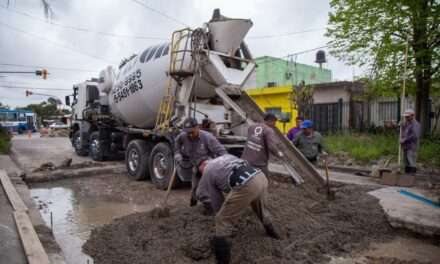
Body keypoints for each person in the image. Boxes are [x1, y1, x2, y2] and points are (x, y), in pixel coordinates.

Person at [196, 154, 280, 264]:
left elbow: (214, 199)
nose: (201, 174)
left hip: (246, 184)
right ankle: (275, 235)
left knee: (221, 219)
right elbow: (244, 163)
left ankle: (223, 260)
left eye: (200, 171)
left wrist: (221, 213)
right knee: (260, 209)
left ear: (203, 165)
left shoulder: (207, 170)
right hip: (260, 176)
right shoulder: (226, 156)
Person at [175, 117, 227, 206]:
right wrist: (177, 153)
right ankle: (193, 207)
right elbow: (177, 142)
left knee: (205, 191)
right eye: (187, 132)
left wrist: (224, 165)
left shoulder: (207, 138)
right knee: (194, 189)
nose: (190, 135)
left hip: (208, 167)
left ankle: (214, 207)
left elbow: (222, 151)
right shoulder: (183, 136)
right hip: (196, 166)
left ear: (197, 127)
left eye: (192, 132)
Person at [241, 113, 284, 177]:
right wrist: (279, 154)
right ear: (270, 121)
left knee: (245, 178)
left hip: (246, 160)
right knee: (264, 181)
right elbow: (271, 146)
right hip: (259, 163)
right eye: (274, 122)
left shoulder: (252, 126)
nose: (275, 124)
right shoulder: (268, 130)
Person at [400, 109, 421, 174]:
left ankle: (411, 176)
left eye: (407, 116)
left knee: (411, 161)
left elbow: (415, 135)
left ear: (412, 116)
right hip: (406, 146)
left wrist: (405, 139)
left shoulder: (416, 124)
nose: (406, 118)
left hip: (412, 146)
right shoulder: (406, 123)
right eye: (405, 116)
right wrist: (401, 126)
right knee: (406, 161)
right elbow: (404, 132)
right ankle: (407, 176)